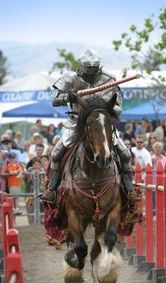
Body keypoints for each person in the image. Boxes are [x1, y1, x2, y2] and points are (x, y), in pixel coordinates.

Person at [41, 48, 133, 204]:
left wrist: (105, 107)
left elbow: (118, 107)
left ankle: (129, 189)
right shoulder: (69, 78)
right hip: (76, 122)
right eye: (88, 70)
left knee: (125, 154)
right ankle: (52, 189)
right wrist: (67, 97)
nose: (91, 73)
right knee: (56, 153)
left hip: (102, 123)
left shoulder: (109, 79)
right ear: (81, 66)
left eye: (94, 70)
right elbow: (54, 100)